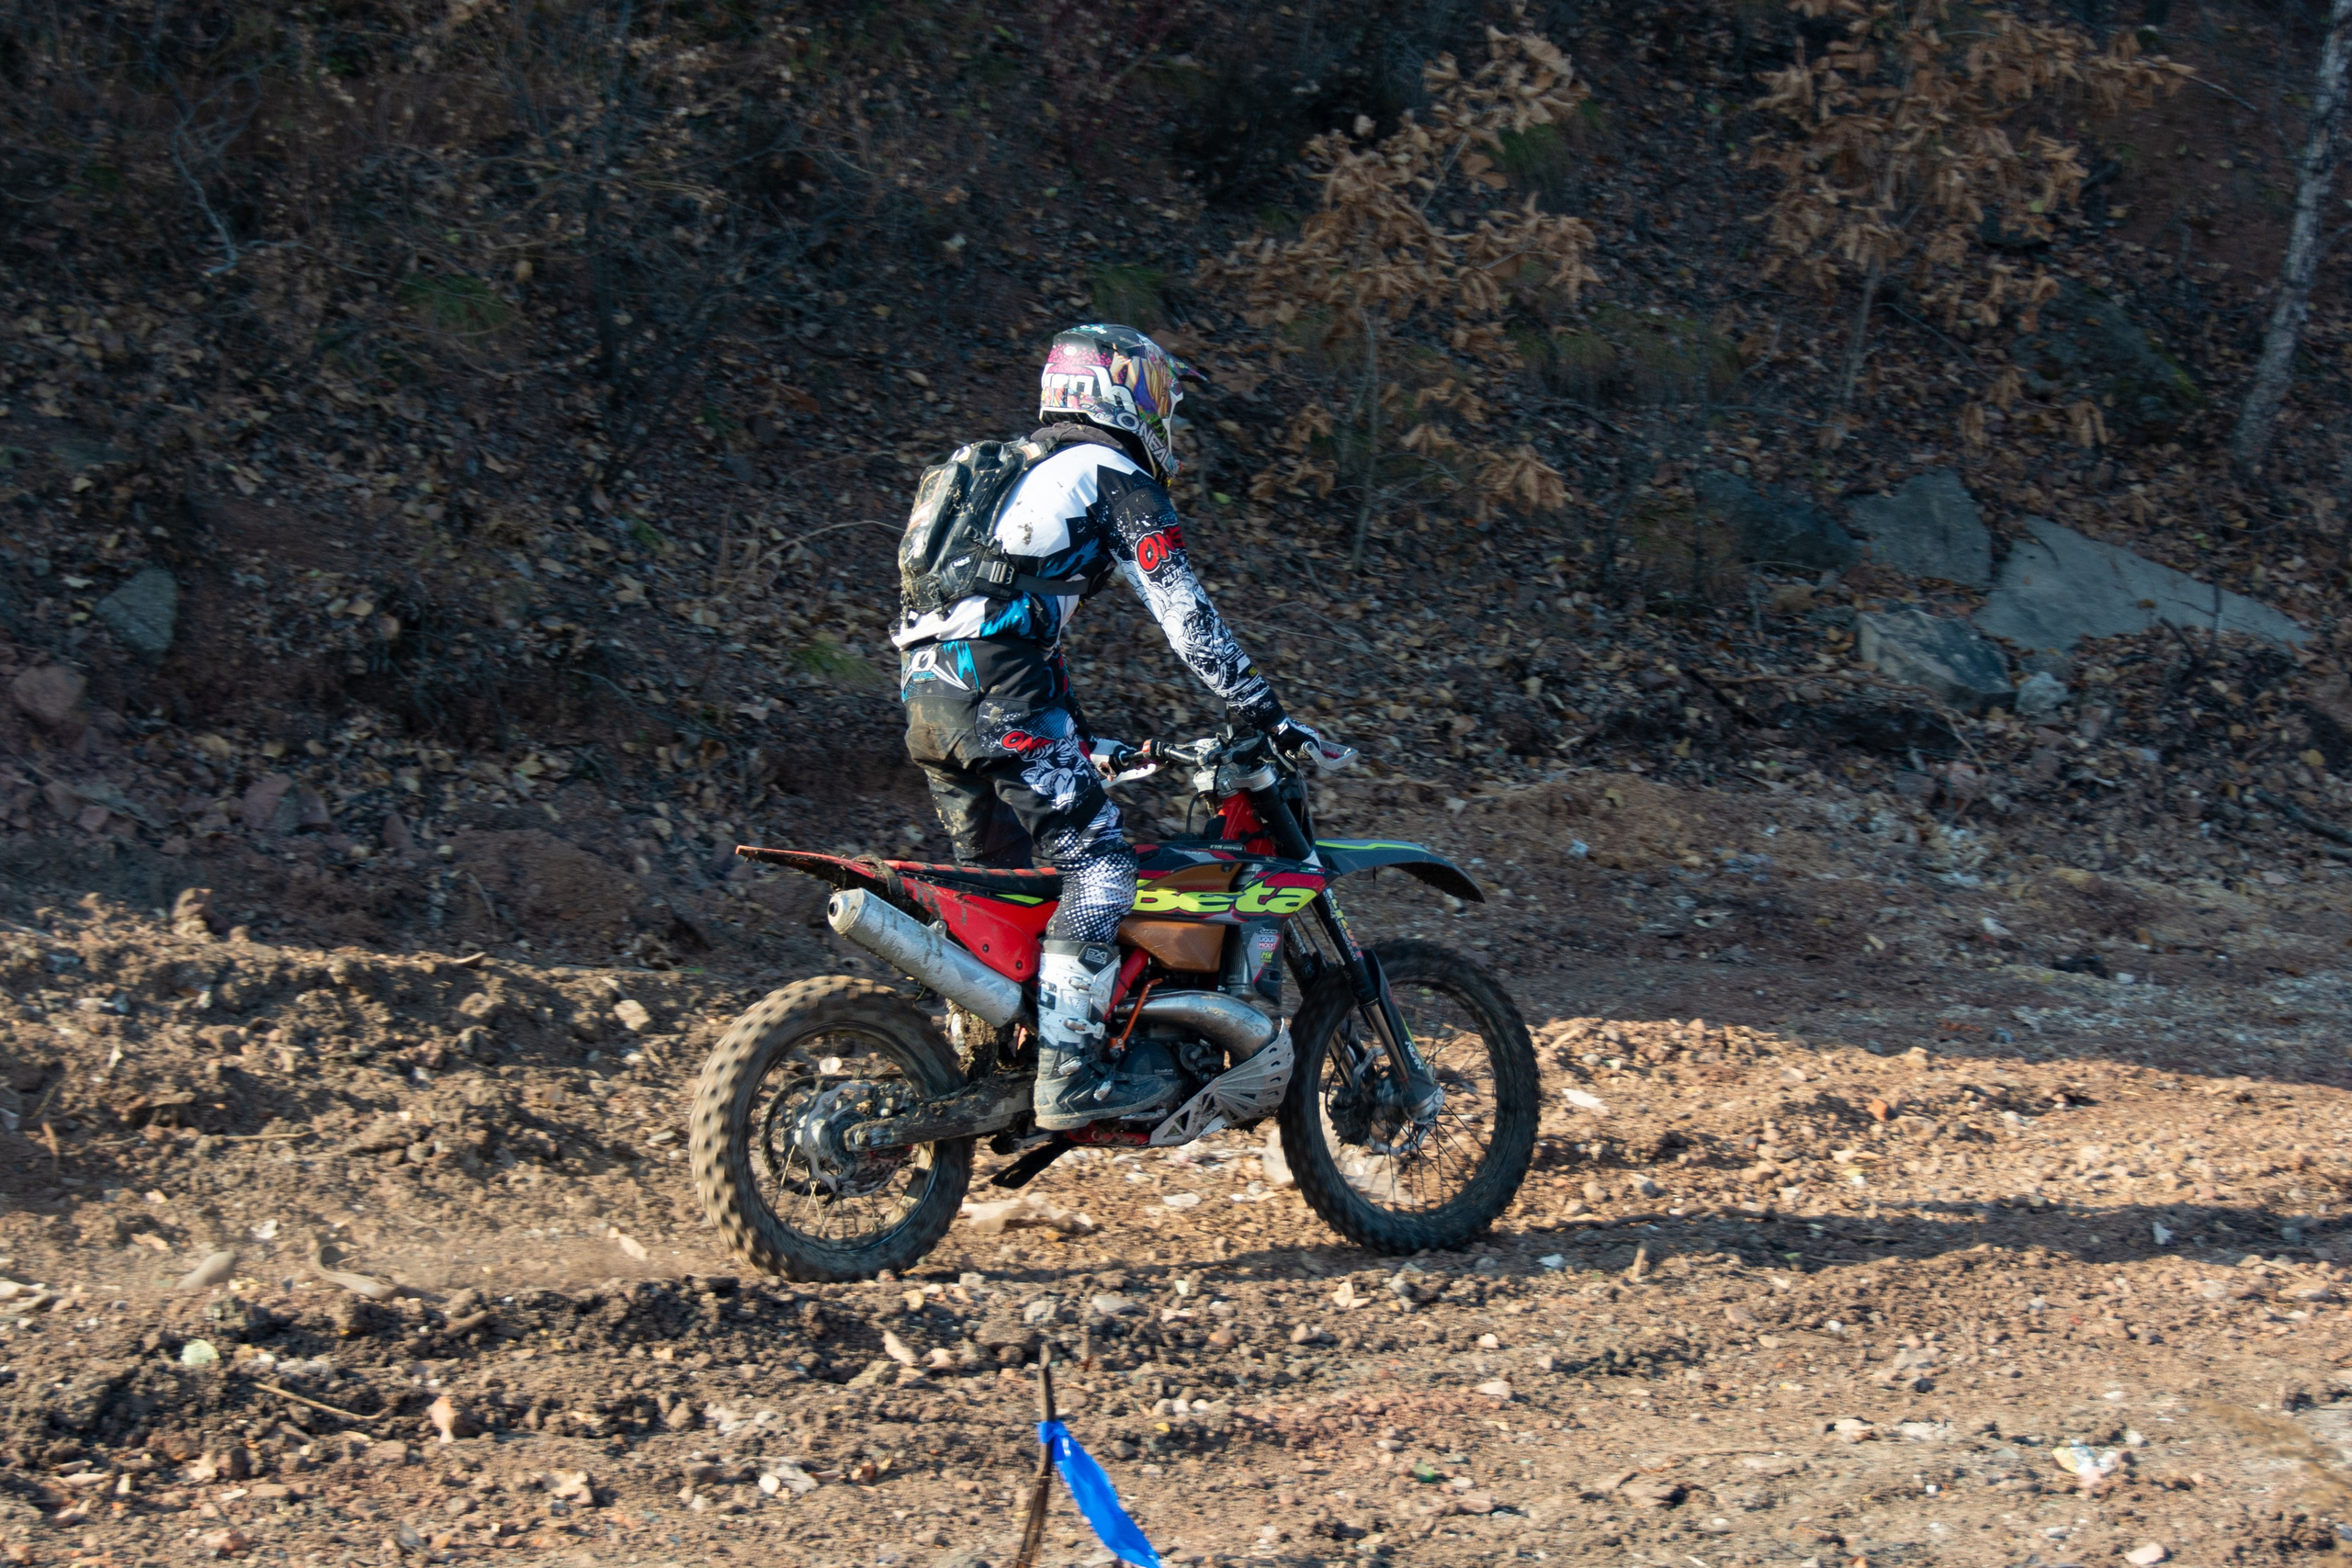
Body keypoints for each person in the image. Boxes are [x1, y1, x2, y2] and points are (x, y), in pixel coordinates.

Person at [893, 322, 1335, 1132]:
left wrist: (1089, 745)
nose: (1164, 417)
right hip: (1002, 694)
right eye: (1157, 395)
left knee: (1000, 900)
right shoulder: (1110, 472)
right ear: (1115, 392)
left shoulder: (1000, 474)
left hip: (927, 693)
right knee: (1100, 873)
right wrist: (1260, 708)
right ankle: (1073, 1077)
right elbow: (1185, 615)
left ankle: (988, 1061)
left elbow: (989, 617)